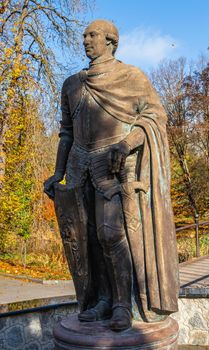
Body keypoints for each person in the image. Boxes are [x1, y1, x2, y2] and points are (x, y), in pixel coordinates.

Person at [44, 19, 179, 332]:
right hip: (79, 167)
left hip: (114, 167)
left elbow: (154, 117)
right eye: (85, 36)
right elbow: (65, 132)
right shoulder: (72, 83)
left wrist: (127, 143)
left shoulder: (131, 76)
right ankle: (102, 300)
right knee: (89, 238)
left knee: (111, 234)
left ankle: (122, 304)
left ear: (111, 41)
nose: (86, 41)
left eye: (93, 36)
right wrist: (58, 172)